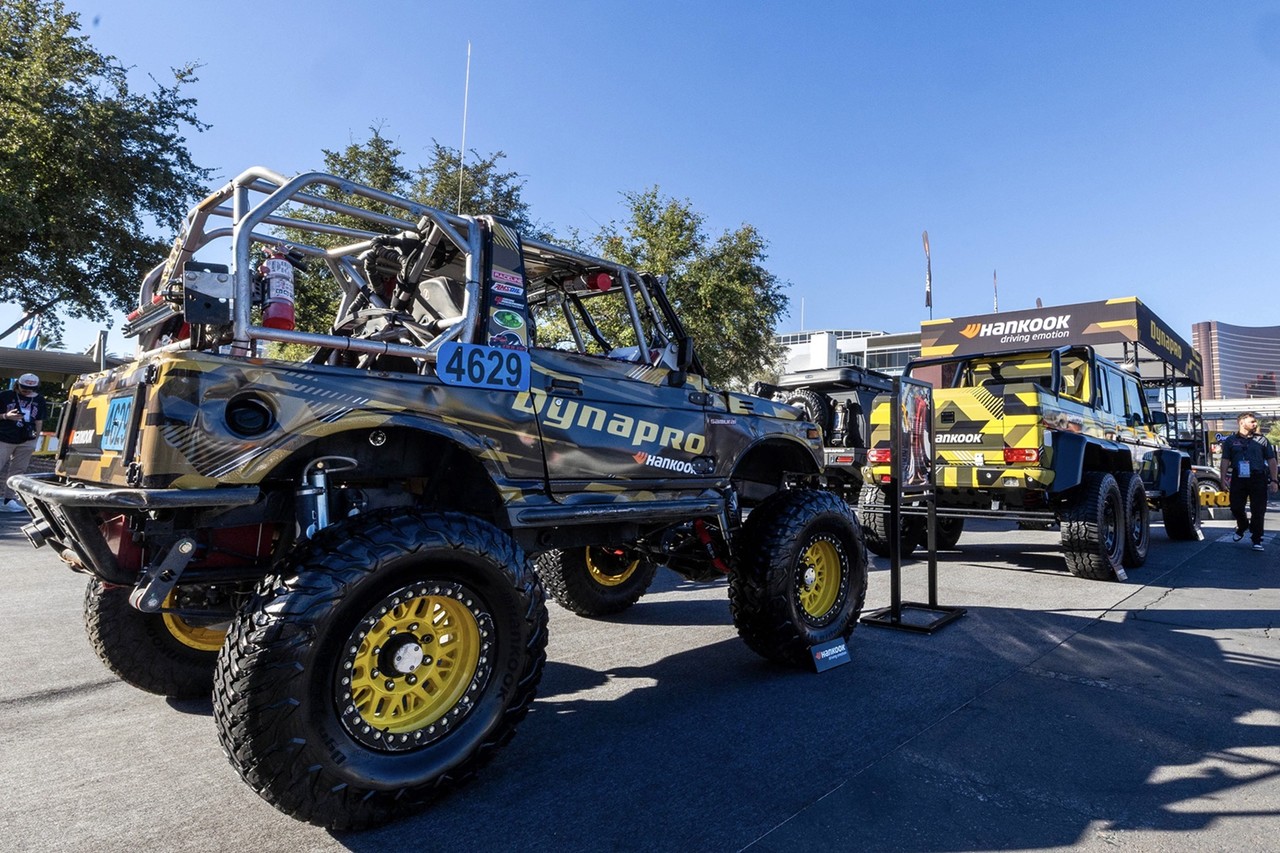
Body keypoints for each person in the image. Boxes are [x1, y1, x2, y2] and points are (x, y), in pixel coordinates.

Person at [1218, 411, 1278, 552]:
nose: (1255, 424)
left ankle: (1257, 539)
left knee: (1258, 510)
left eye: (1255, 421)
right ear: (1241, 423)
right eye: (1252, 421)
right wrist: (1222, 479)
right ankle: (1243, 525)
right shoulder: (1231, 441)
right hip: (1239, 478)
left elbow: (1271, 460)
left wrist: (1274, 480)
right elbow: (1225, 460)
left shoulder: (1262, 440)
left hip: (1258, 478)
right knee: (1236, 507)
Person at [0, 373, 47, 512]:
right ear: (18, 385)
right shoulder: (5, 396)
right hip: (4, 437)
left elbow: (39, 421)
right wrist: (5, 416)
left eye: (29, 388)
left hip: (26, 439)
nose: (26, 391)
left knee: (18, 471)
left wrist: (35, 440)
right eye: (23, 387)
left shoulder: (39, 399)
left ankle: (9, 499)